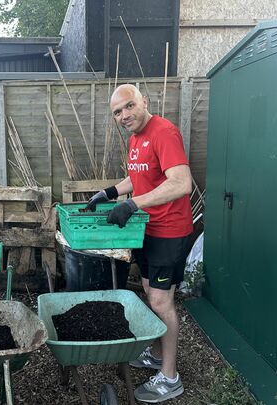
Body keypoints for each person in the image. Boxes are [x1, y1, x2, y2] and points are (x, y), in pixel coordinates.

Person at [86, 84, 193, 402]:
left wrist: (133, 205)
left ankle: (170, 378)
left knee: (162, 303)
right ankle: (158, 356)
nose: (123, 115)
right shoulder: (136, 139)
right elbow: (141, 175)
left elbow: (181, 182)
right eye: (117, 112)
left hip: (169, 231)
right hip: (148, 230)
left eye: (128, 106)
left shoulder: (164, 132)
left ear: (144, 102)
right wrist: (110, 192)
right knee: (150, 294)